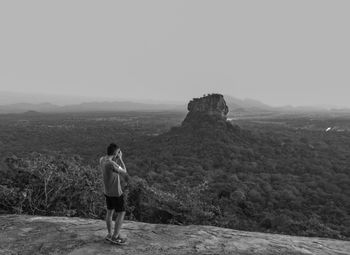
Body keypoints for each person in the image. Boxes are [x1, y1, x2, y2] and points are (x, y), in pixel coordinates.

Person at [99, 143, 128, 244]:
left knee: (110, 212)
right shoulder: (112, 164)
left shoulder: (102, 159)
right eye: (118, 152)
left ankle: (110, 234)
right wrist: (120, 158)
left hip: (107, 192)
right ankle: (115, 237)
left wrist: (115, 157)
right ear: (116, 153)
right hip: (116, 193)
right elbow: (124, 172)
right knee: (121, 212)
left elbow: (112, 168)